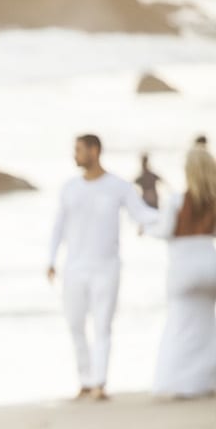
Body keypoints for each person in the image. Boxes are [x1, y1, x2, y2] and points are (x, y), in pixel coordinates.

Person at [48, 134, 158, 401]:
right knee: (75, 324)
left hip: (106, 267)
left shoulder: (118, 186)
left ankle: (99, 382)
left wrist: (174, 216)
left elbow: (141, 213)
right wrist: (50, 260)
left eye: (79, 150)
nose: (75, 155)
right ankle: (85, 380)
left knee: (102, 325)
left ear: (94, 151)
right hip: (74, 267)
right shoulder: (69, 187)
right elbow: (58, 225)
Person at [145, 146, 216, 397]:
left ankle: (176, 383)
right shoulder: (213, 200)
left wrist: (146, 228)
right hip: (210, 264)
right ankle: (208, 382)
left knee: (179, 326)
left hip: (184, 266)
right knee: (207, 326)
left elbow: (165, 231)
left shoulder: (176, 200)